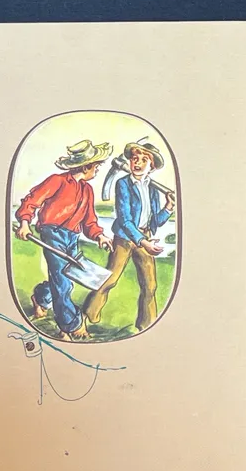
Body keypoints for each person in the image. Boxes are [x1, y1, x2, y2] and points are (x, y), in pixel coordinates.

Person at [14, 139, 114, 340]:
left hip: (72, 237)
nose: (97, 170)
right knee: (63, 281)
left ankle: (41, 298)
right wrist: (25, 223)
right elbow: (32, 200)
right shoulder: (56, 181)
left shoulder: (87, 190)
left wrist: (99, 235)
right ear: (85, 167)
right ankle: (70, 325)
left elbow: (89, 220)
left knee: (65, 276)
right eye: (96, 166)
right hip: (52, 233)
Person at [83, 139, 175, 333]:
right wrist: (143, 242)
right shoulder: (123, 184)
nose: (137, 163)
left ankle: (147, 324)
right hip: (125, 238)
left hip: (144, 236)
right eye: (134, 158)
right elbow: (125, 220)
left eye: (143, 160)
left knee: (150, 285)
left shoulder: (152, 189)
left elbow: (155, 221)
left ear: (152, 166)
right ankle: (88, 314)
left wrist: (168, 207)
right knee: (110, 279)